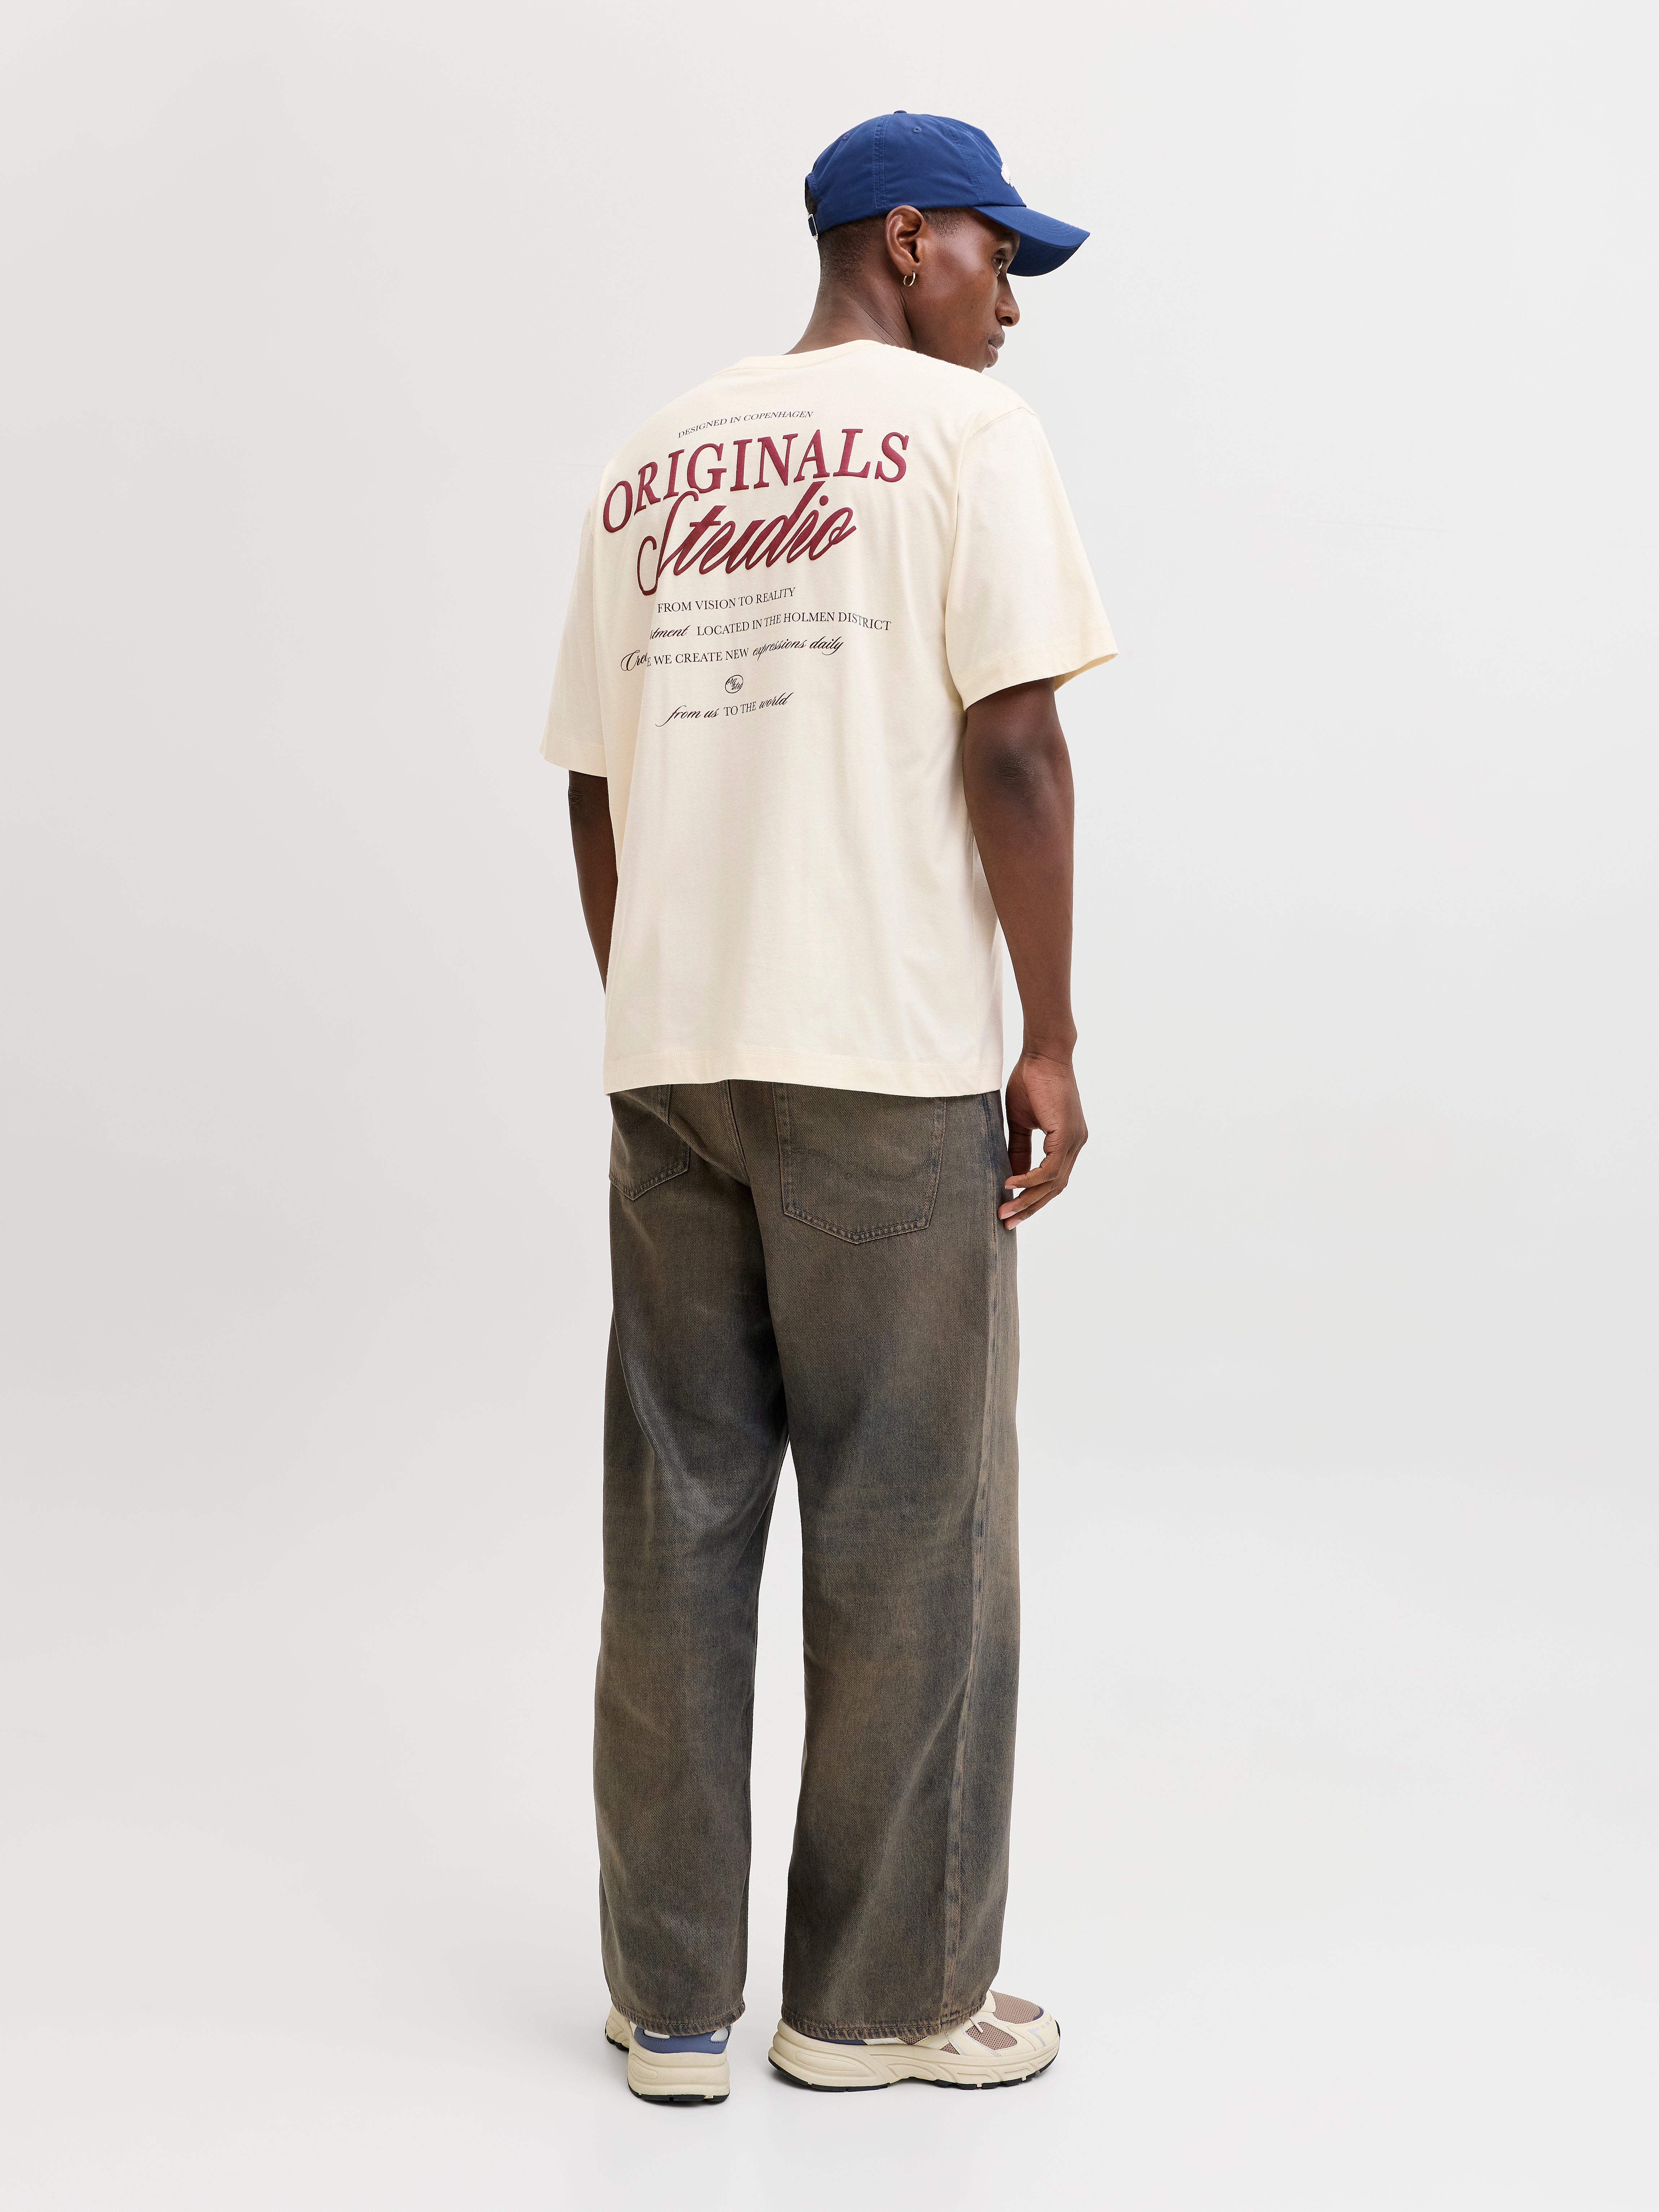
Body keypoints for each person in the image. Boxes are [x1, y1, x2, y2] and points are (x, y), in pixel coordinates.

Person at [542, 110, 1115, 2103]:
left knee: (676, 1522)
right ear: (907, 236)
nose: (1011, 300)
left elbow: (594, 782)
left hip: (678, 1065)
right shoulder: (965, 438)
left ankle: (671, 2006)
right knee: (914, 1528)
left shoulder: (651, 456)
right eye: (997, 257)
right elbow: (1018, 744)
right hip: (880, 1053)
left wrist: (655, 995)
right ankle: (877, 2004)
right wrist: (1050, 1037)